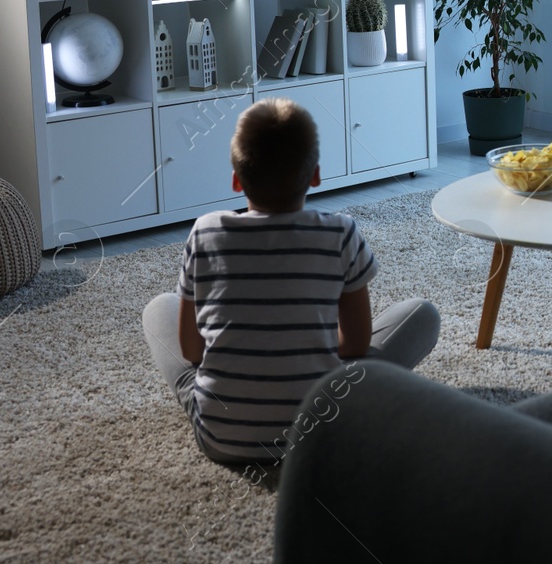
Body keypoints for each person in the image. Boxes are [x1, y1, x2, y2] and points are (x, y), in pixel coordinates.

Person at [142, 98, 440, 465]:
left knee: (159, 307)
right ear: (315, 174)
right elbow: (356, 345)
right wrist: (306, 342)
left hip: (221, 437)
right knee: (423, 315)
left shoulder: (205, 233)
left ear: (236, 180)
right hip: (322, 430)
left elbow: (191, 351)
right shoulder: (341, 233)